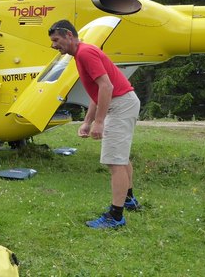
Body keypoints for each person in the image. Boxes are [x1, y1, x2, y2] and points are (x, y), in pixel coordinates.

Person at [48, 19, 141, 229]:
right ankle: (129, 199)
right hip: (122, 102)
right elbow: (97, 91)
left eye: (56, 40)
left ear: (69, 35)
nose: (53, 45)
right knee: (121, 155)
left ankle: (116, 217)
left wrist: (99, 122)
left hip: (120, 104)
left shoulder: (84, 53)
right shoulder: (81, 54)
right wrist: (87, 122)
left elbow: (106, 87)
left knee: (114, 160)